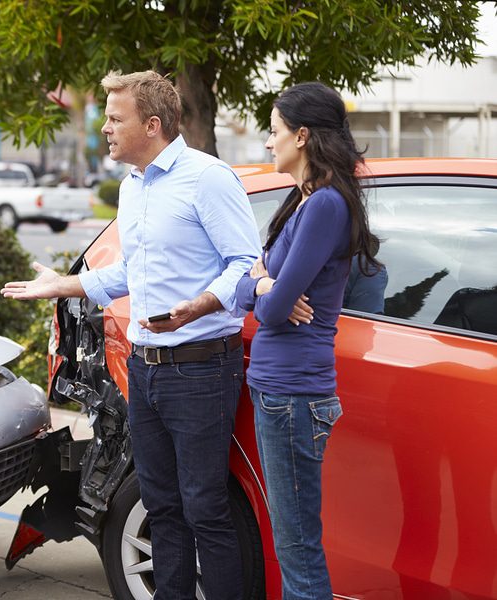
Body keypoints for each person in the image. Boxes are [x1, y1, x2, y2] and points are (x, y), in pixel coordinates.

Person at [3, 70, 261, 600]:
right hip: (145, 369)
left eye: (115, 118)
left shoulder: (207, 178)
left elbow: (245, 264)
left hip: (201, 366)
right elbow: (125, 275)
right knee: (161, 505)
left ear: (152, 123)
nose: (105, 127)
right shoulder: (132, 186)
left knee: (205, 507)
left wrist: (201, 305)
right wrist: (62, 285)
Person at [234, 81, 382, 599]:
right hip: (280, 392)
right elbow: (247, 289)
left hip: (293, 397)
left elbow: (272, 309)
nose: (267, 143)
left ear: (301, 136)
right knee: (293, 541)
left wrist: (264, 286)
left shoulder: (324, 206)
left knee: (297, 549)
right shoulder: (303, 203)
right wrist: (261, 284)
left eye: (273, 132)